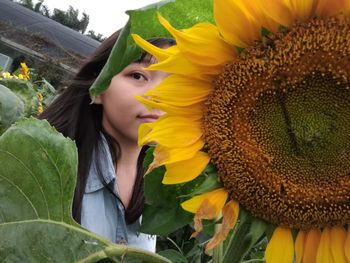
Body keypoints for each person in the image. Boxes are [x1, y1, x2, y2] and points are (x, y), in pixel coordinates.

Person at [39, 30, 175, 252]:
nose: (160, 95)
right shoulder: (47, 163)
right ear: (98, 88)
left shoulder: (162, 178)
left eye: (175, 83)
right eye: (138, 76)